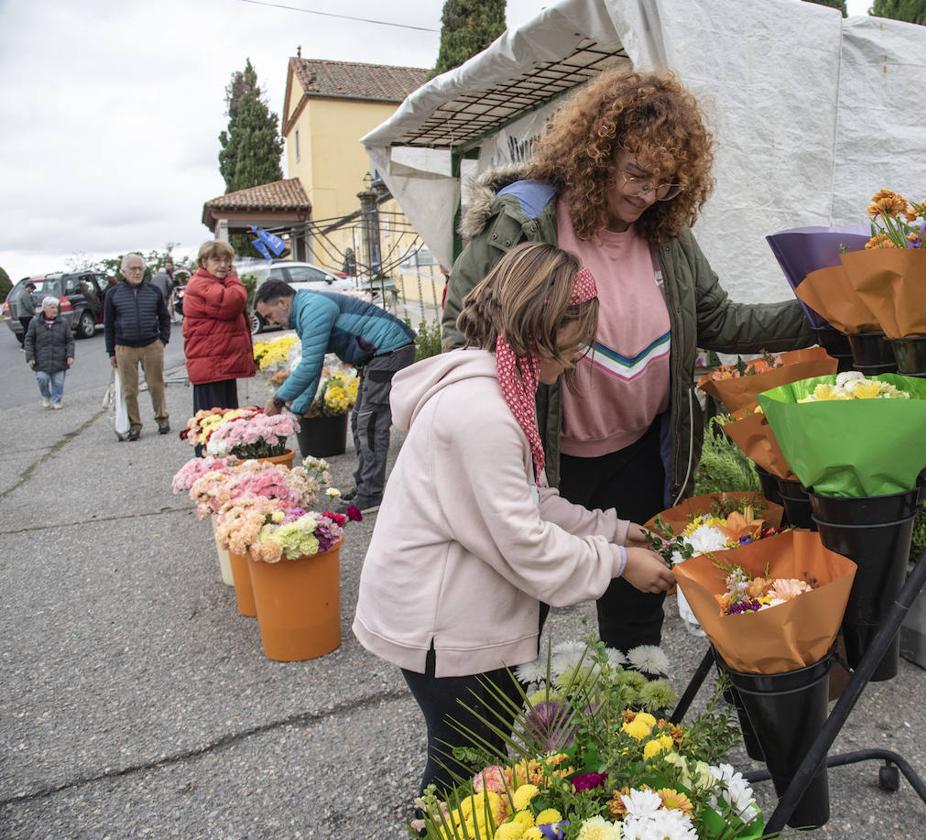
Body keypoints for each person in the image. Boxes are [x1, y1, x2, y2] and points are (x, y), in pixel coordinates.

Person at [442, 67, 815, 653]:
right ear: (597, 155)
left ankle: (642, 733)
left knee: (639, 611)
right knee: (517, 616)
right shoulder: (526, 220)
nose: (647, 195)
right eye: (636, 174)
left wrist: (820, 310)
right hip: (547, 459)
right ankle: (516, 738)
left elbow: (718, 319)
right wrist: (491, 426)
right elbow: (460, 327)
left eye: (665, 183)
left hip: (643, 455)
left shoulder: (667, 235)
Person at [353, 241, 675, 799]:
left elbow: (529, 500)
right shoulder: (483, 414)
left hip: (456, 615)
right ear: (541, 327)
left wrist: (616, 529)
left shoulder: (499, 391)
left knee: (477, 761)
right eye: (577, 337)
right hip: (443, 628)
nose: (581, 353)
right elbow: (524, 541)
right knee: (462, 772)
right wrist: (621, 564)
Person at [254, 280, 417, 513]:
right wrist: (298, 410)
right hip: (378, 355)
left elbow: (309, 366)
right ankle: (365, 487)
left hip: (389, 350)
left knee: (369, 425)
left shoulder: (312, 308)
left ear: (282, 302)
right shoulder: (305, 309)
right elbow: (315, 366)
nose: (271, 322)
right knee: (359, 421)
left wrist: (279, 400)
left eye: (269, 315)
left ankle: (371, 494)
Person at [104, 252, 171, 441]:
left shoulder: (154, 291)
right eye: (133, 268)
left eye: (140, 268)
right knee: (129, 389)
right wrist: (111, 351)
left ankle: (162, 418)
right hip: (124, 347)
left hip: (151, 345)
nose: (137, 272)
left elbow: (164, 318)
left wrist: (162, 340)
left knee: (156, 384)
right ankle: (135, 424)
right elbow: (108, 324)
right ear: (123, 271)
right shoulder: (113, 294)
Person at [182, 241, 255, 415]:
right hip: (212, 365)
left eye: (226, 260)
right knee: (214, 425)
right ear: (203, 262)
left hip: (219, 363)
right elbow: (233, 301)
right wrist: (234, 279)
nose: (223, 265)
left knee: (226, 423)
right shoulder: (202, 284)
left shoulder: (214, 283)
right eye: (216, 260)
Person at [24, 297, 74, 409]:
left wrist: (70, 355)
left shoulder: (63, 322)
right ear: (45, 308)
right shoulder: (35, 322)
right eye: (52, 307)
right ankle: (45, 396)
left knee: (58, 382)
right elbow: (29, 340)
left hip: (60, 358)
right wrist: (30, 357)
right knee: (42, 378)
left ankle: (56, 400)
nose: (55, 310)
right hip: (41, 359)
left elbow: (70, 340)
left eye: (56, 307)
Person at [151, 258, 178, 323]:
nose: (167, 267)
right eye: (166, 266)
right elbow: (170, 284)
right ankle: (166, 319)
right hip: (165, 294)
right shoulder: (166, 276)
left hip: (155, 294)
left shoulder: (154, 276)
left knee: (157, 306)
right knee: (165, 306)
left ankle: (158, 318)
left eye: (169, 266)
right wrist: (169, 292)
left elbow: (151, 284)